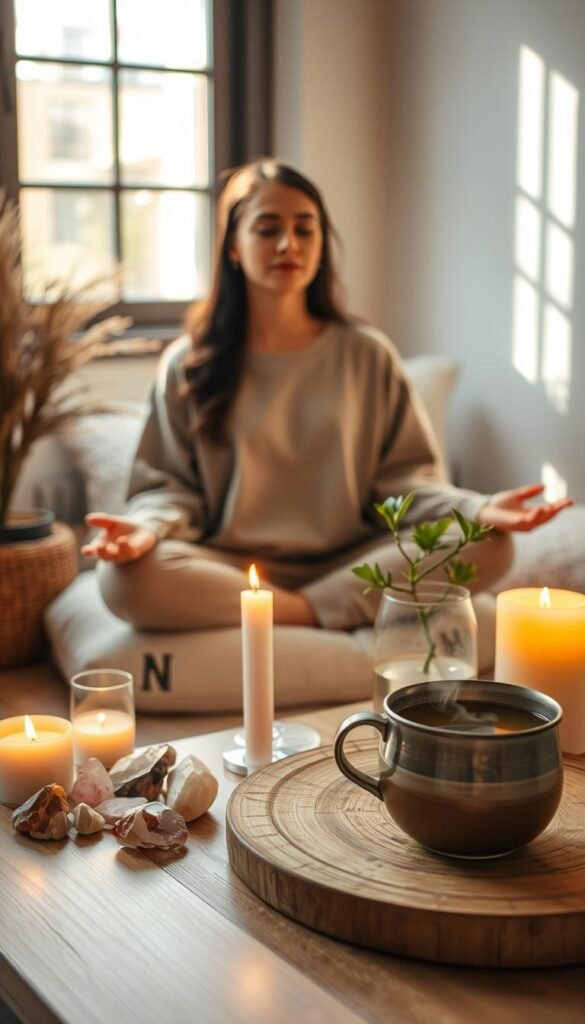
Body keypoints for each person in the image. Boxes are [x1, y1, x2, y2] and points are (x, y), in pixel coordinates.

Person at [83, 159, 572, 632]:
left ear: (321, 245)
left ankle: (291, 612)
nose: (287, 244)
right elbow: (169, 490)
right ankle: (317, 613)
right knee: (124, 578)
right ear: (233, 246)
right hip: (229, 564)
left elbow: (404, 484)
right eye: (267, 229)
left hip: (351, 563)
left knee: (491, 546)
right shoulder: (189, 364)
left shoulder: (367, 354)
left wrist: (477, 509)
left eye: (304, 228)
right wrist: (146, 530)